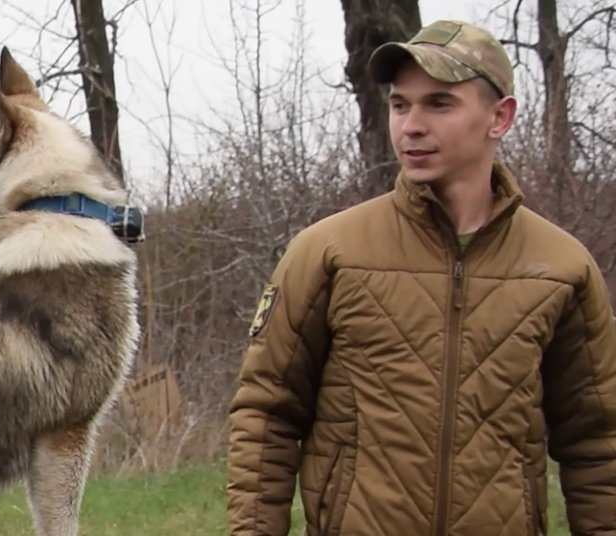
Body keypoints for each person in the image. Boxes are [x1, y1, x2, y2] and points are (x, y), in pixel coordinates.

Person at [225, 19, 616, 536]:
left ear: (499, 117)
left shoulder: (561, 267)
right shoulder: (328, 253)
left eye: (439, 104)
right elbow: (266, 417)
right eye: (400, 104)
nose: (410, 125)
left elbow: (597, 442)